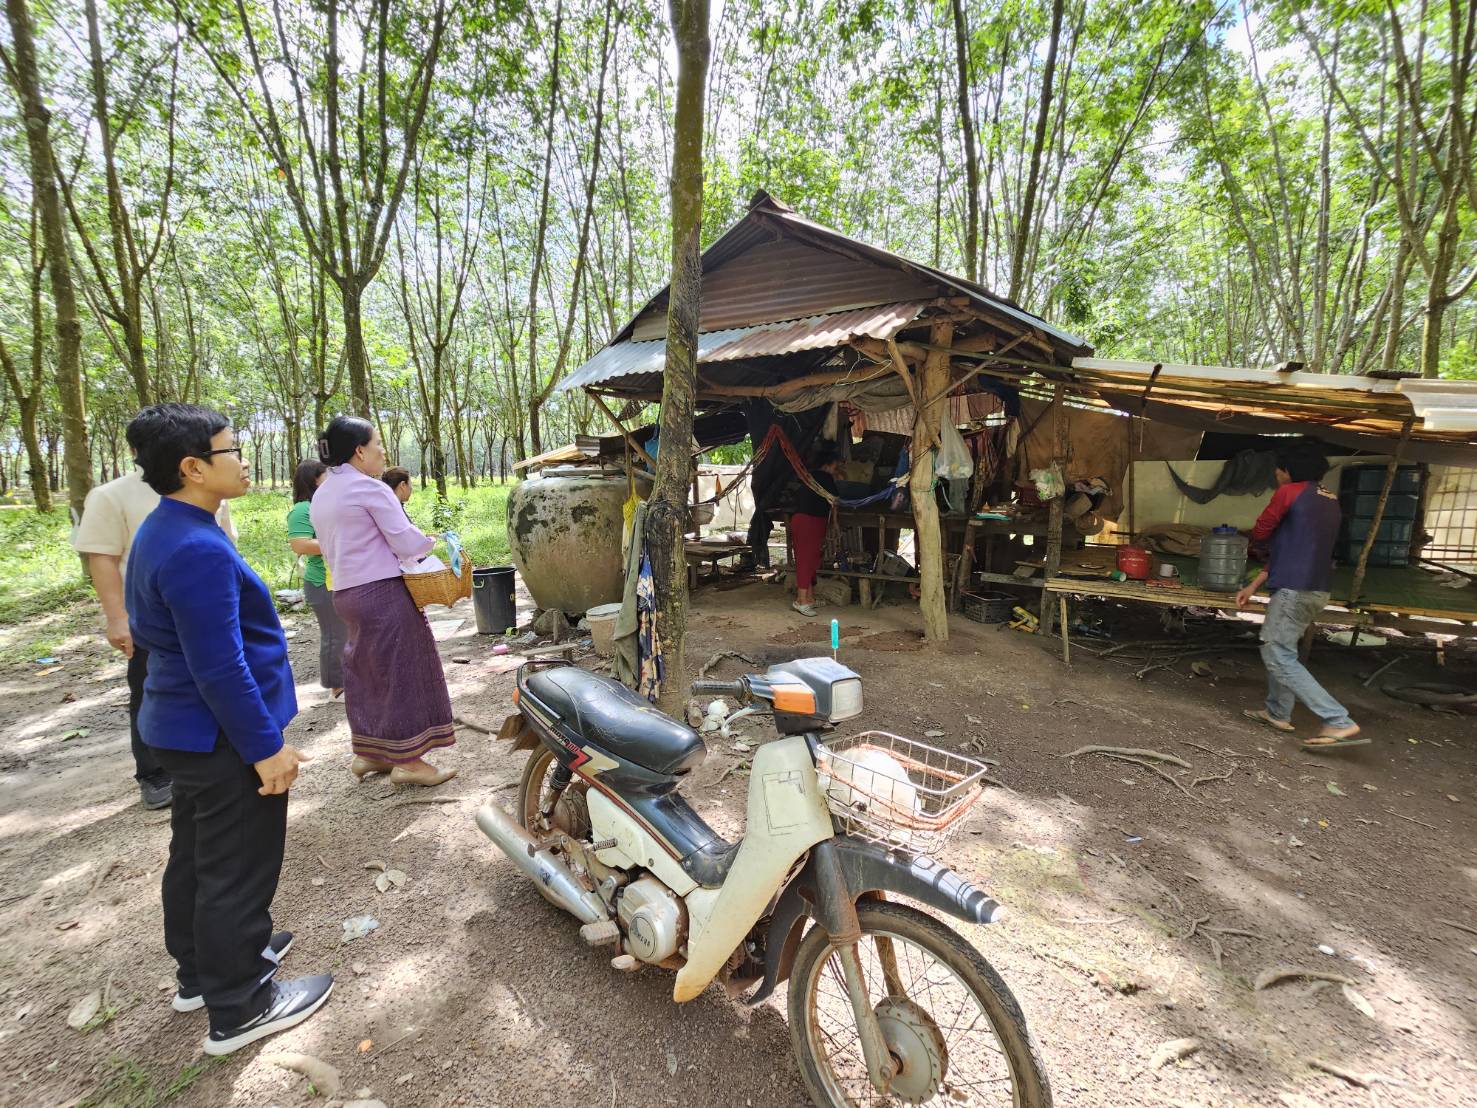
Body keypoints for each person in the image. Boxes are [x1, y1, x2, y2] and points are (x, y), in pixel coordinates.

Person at [124, 403, 333, 1055]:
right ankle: (241, 1001)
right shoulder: (193, 547)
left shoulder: (167, 528)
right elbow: (220, 666)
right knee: (234, 867)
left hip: (179, 727)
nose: (243, 460)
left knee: (196, 852)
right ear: (192, 468)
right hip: (215, 734)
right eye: (230, 450)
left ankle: (200, 971)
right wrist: (265, 748)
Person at [72, 424, 239, 810]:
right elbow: (103, 558)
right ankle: (153, 772)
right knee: (151, 689)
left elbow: (225, 545)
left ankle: (208, 754)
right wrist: (117, 617)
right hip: (153, 616)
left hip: (203, 606)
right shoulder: (112, 496)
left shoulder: (211, 491)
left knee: (213, 679)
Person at [310, 416, 458, 786]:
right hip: (381, 592)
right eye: (378, 445)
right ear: (359, 451)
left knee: (367, 672)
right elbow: (406, 543)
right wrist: (430, 541)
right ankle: (409, 761)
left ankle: (369, 753)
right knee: (401, 671)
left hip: (344, 593)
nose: (383, 452)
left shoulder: (324, 491)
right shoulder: (370, 489)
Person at [1236, 445, 1365, 749]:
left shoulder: (1289, 492)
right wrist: (1254, 585)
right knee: (1283, 649)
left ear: (1289, 469)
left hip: (1294, 589)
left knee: (1277, 653)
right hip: (1315, 588)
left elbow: (1262, 530)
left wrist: (1257, 535)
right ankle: (1277, 712)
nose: (1276, 473)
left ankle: (1337, 720)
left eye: (1279, 468)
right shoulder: (1330, 500)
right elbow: (1295, 547)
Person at [287, 460, 347, 698]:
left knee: (346, 632)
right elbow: (299, 544)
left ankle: (348, 681)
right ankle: (337, 688)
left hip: (337, 578)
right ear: (314, 479)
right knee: (334, 633)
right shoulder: (303, 509)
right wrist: (340, 544)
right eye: (327, 475)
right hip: (321, 582)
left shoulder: (322, 504)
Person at [789, 442, 840, 617]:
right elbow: (834, 502)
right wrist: (835, 522)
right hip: (808, 520)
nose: (835, 469)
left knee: (811, 559)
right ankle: (801, 601)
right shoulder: (825, 477)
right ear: (828, 464)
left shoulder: (807, 476)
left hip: (806, 520)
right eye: (835, 466)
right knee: (805, 559)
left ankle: (809, 598)